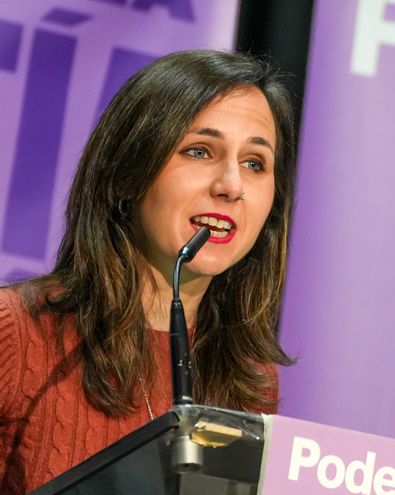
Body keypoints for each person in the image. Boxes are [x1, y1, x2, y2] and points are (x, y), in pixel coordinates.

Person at [0, 50, 296, 493]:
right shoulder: (16, 333)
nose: (231, 185)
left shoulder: (249, 378)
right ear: (126, 174)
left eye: (254, 163)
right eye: (200, 151)